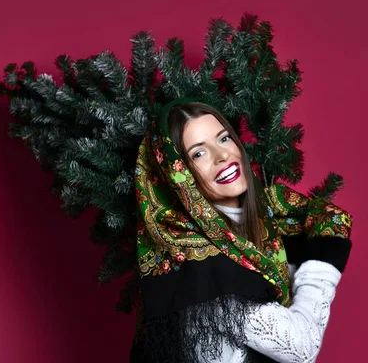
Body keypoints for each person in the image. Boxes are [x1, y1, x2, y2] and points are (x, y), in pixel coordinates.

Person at [129, 100, 353, 363]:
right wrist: (322, 263)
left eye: (223, 139)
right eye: (199, 154)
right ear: (179, 178)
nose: (222, 156)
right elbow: (301, 347)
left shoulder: (264, 226)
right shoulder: (201, 265)